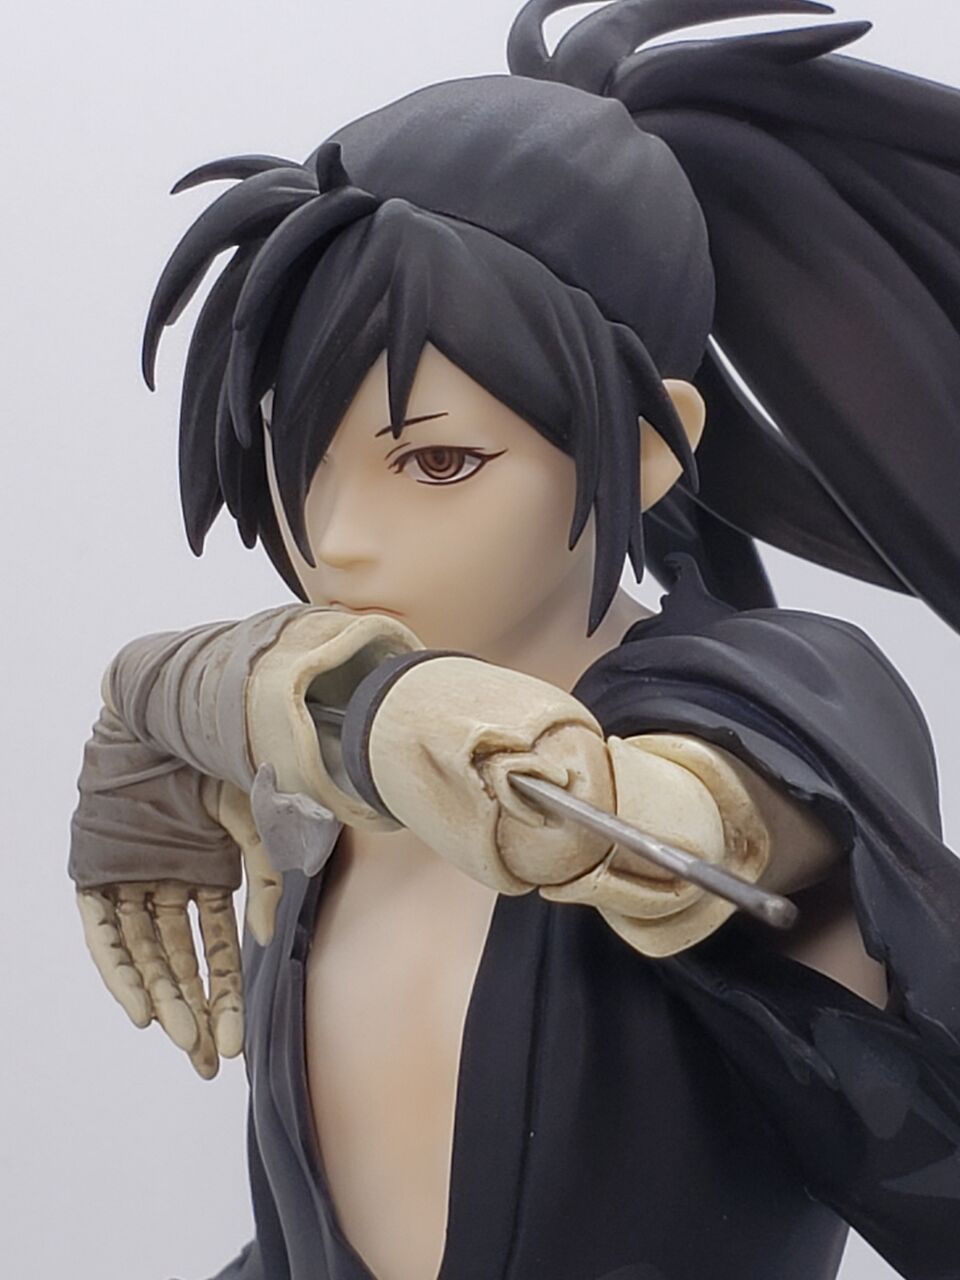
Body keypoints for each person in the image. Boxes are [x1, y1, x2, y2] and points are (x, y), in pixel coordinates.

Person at [68, 2, 960, 1277]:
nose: (337, 541)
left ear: (646, 451)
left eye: (437, 461)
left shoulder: (780, 692)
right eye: (294, 451)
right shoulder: (295, 767)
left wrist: (645, 811)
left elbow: (719, 810)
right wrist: (178, 706)